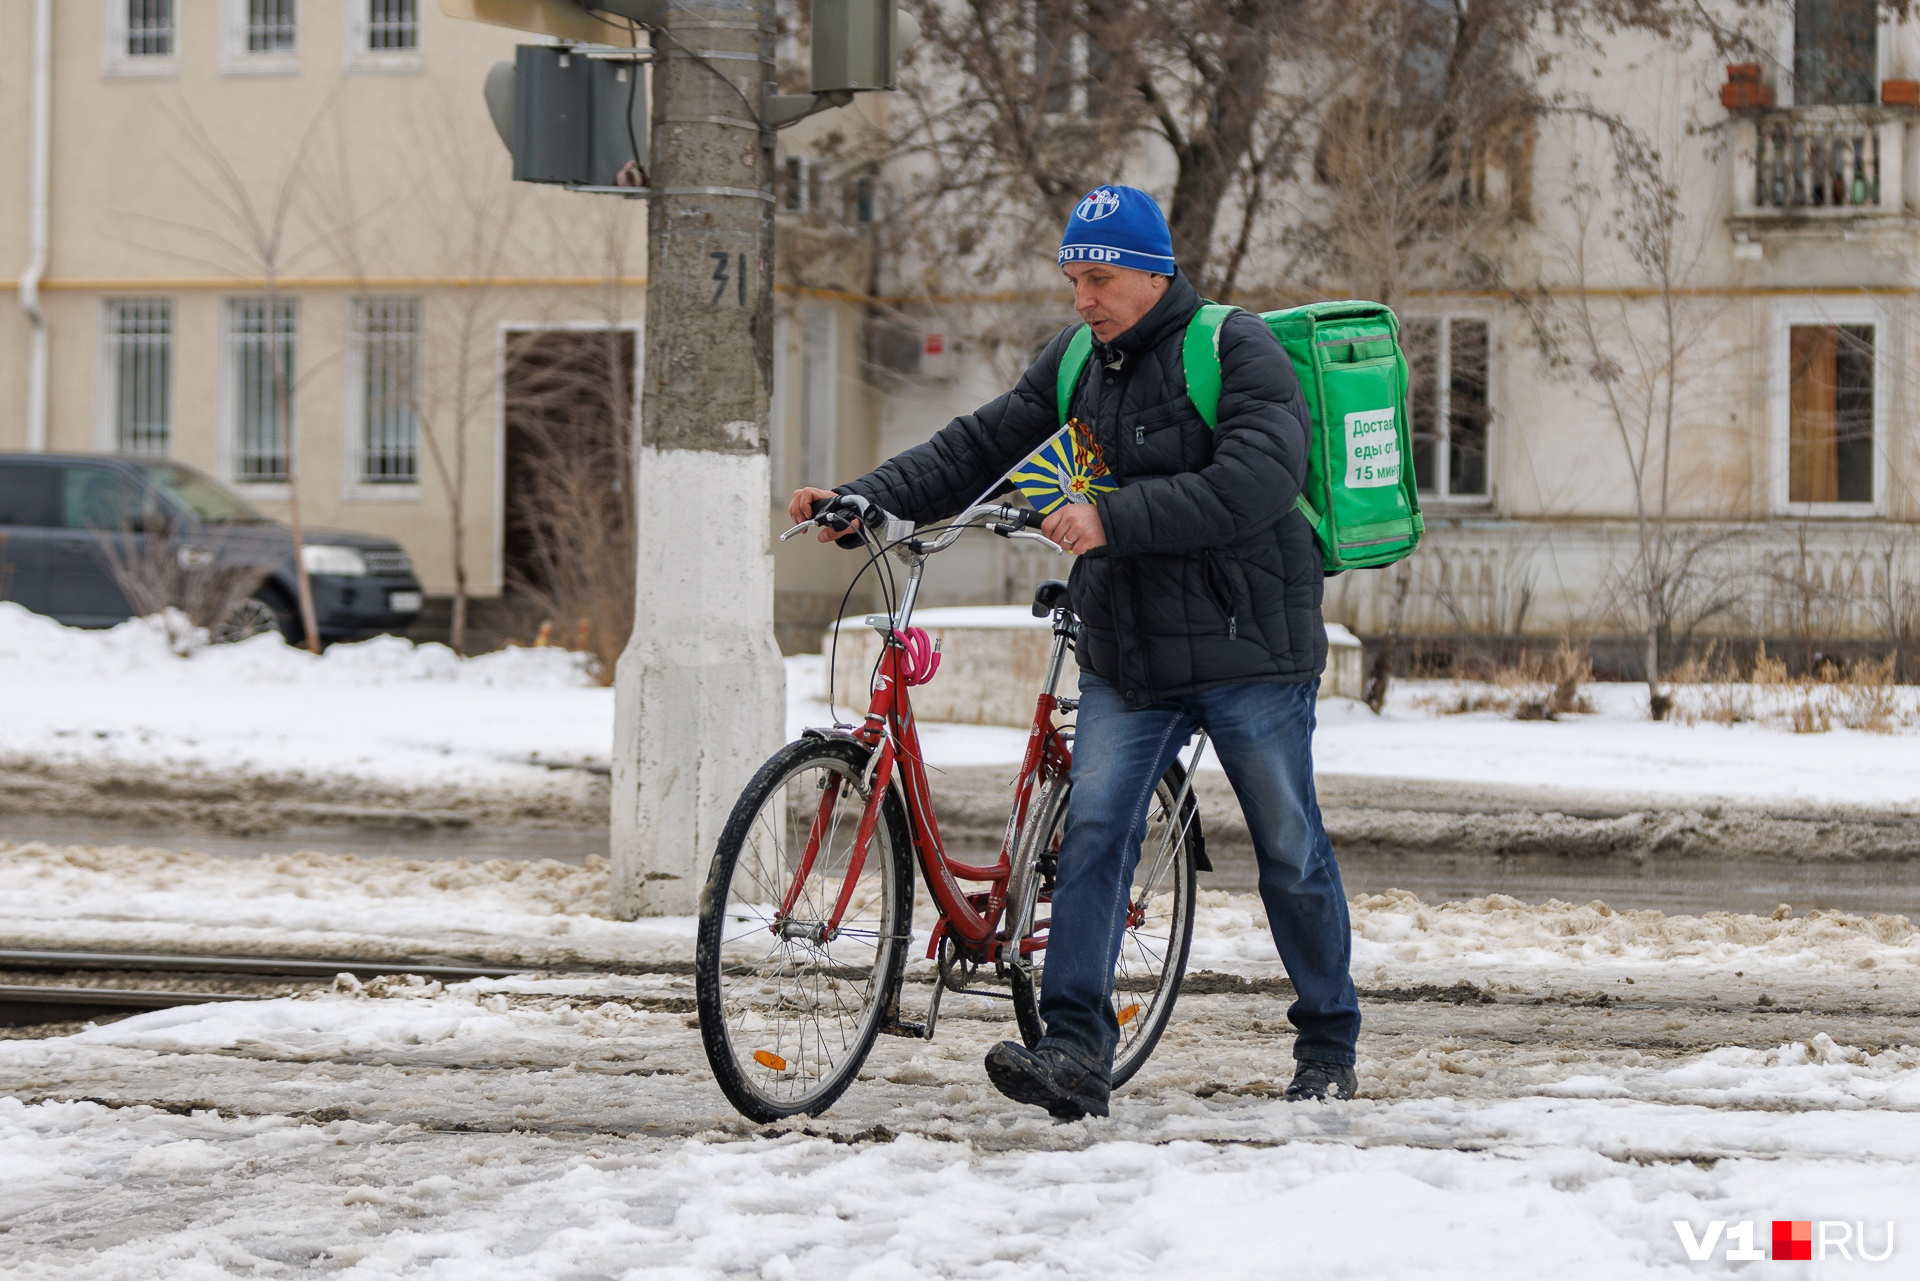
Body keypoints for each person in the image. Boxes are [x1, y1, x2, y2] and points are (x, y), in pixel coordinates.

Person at [788, 185, 1360, 1120]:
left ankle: (1329, 1037)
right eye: (1073, 278)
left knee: (1288, 846)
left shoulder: (1232, 347)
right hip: (1129, 650)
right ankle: (1075, 1050)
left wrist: (1112, 515)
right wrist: (867, 498)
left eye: (1099, 277)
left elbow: (1259, 478)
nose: (1082, 297)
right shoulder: (1073, 363)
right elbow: (977, 444)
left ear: (1154, 270)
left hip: (1246, 645)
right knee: (1092, 834)